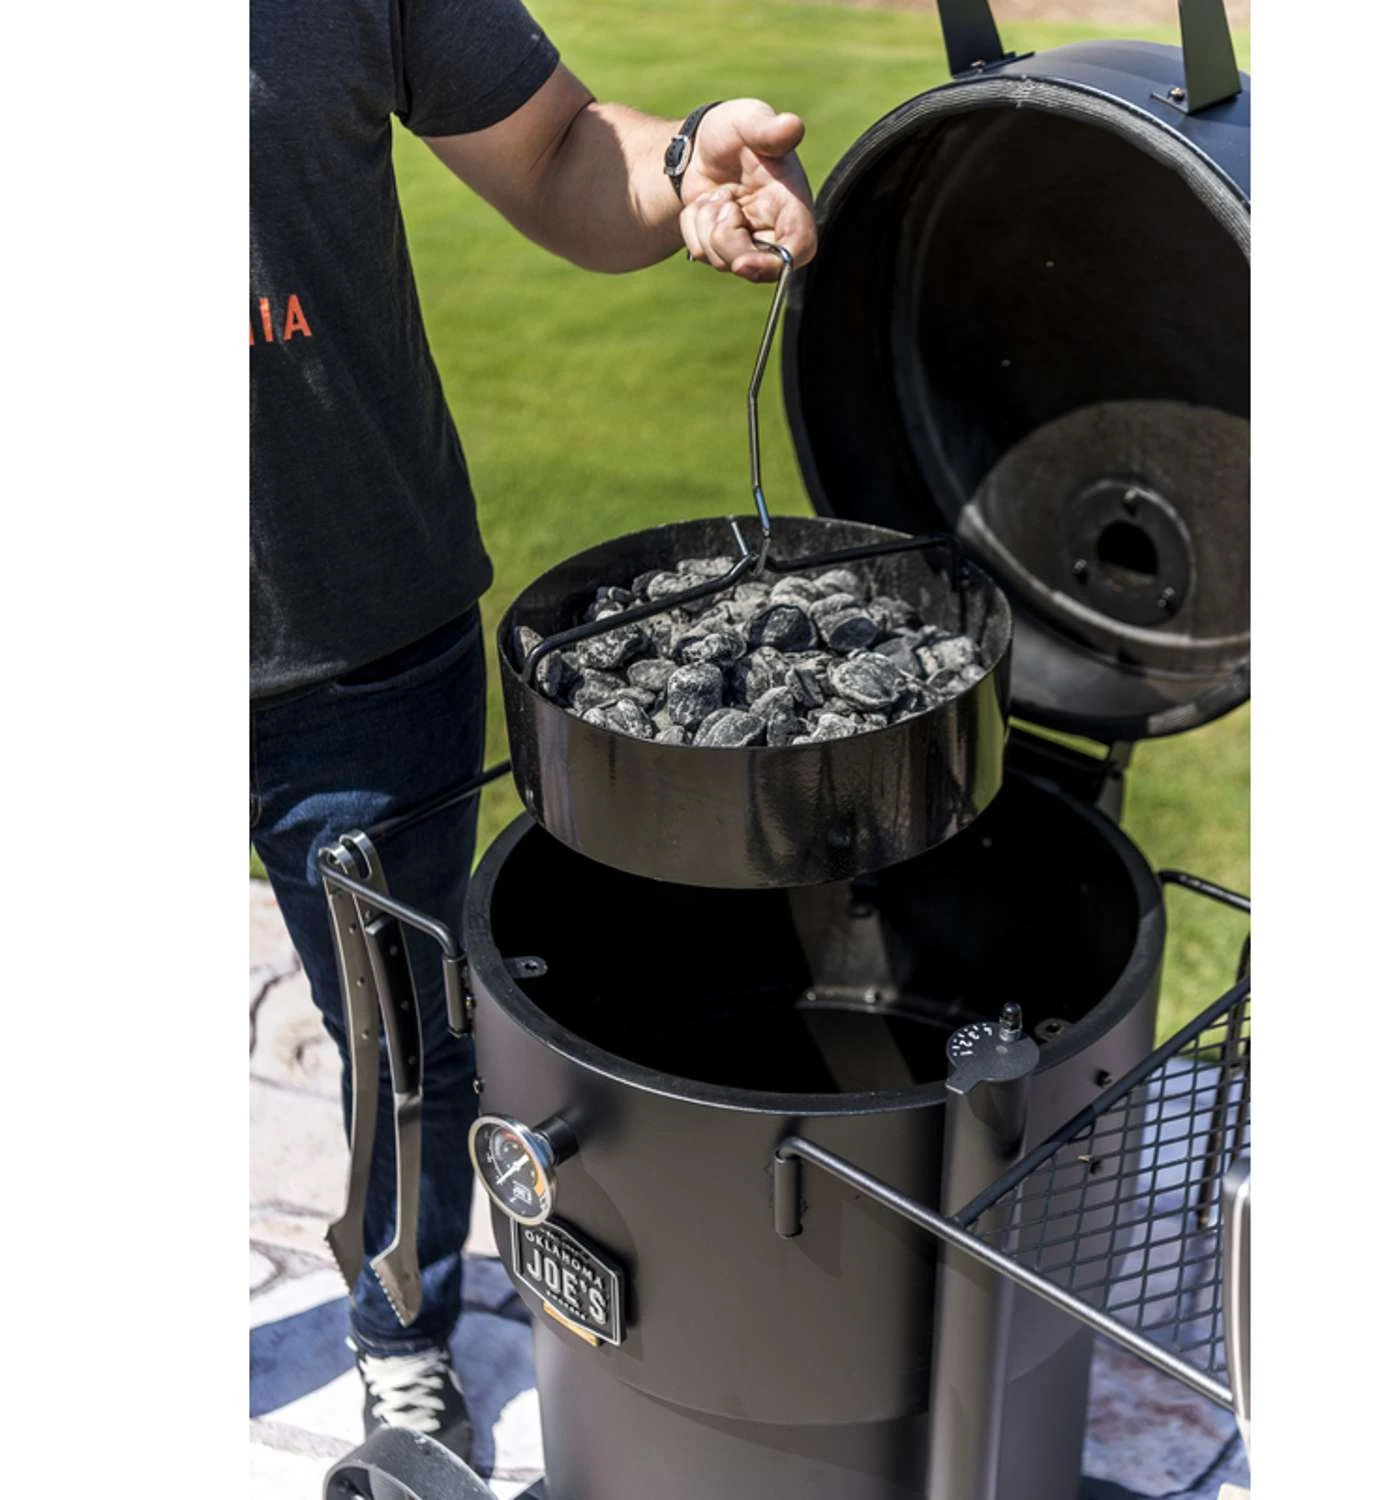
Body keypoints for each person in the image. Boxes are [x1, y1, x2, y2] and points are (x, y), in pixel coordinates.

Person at [250, 0, 817, 1464]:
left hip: (355, 629)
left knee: (405, 1050)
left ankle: (402, 1337)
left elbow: (560, 150)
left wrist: (684, 161)